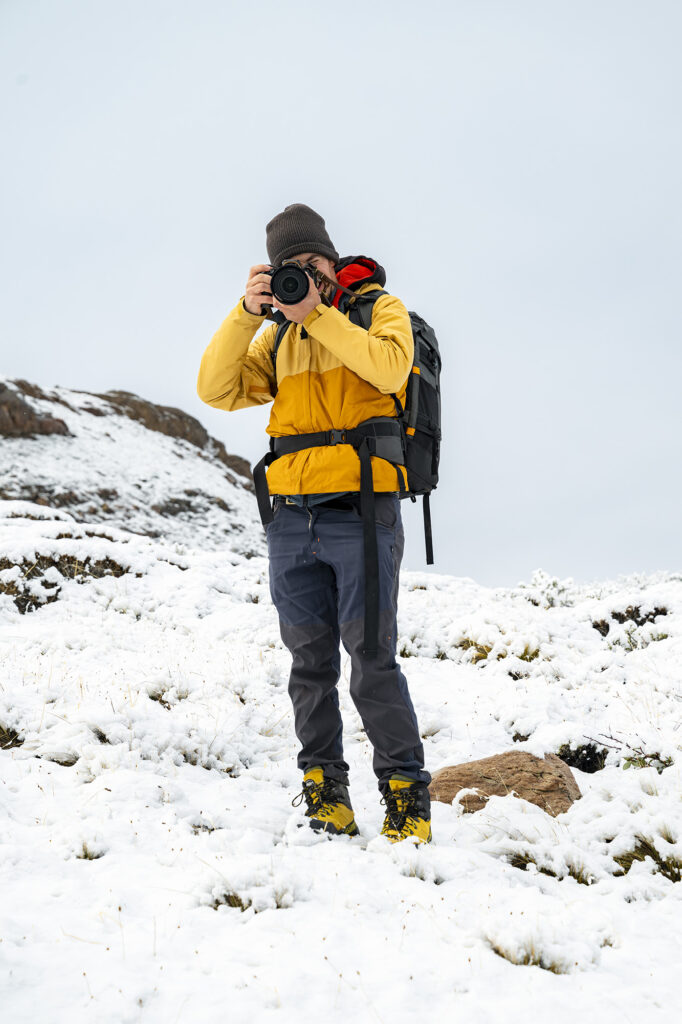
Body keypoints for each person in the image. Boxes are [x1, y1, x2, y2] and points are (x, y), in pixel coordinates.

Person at [197, 203, 432, 843]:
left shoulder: (376, 308)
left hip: (361, 510)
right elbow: (215, 389)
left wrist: (319, 315)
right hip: (290, 519)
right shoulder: (275, 336)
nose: (304, 274)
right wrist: (246, 314)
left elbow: (387, 368)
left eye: (311, 262)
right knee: (308, 664)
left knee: (372, 658)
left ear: (331, 260)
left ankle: (407, 799)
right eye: (289, 268)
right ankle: (325, 793)